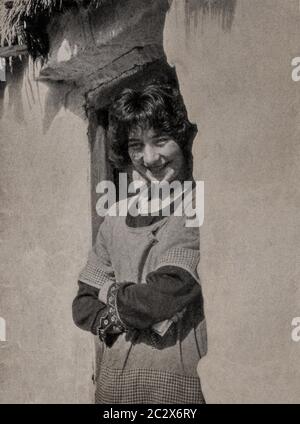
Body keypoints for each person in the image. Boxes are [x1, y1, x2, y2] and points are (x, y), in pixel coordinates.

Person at [72, 83, 207, 403]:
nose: (149, 158)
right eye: (136, 145)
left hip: (174, 389)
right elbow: (82, 305)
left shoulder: (197, 207)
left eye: (161, 140)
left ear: (184, 141)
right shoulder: (115, 218)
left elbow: (165, 294)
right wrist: (133, 309)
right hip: (113, 388)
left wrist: (109, 292)